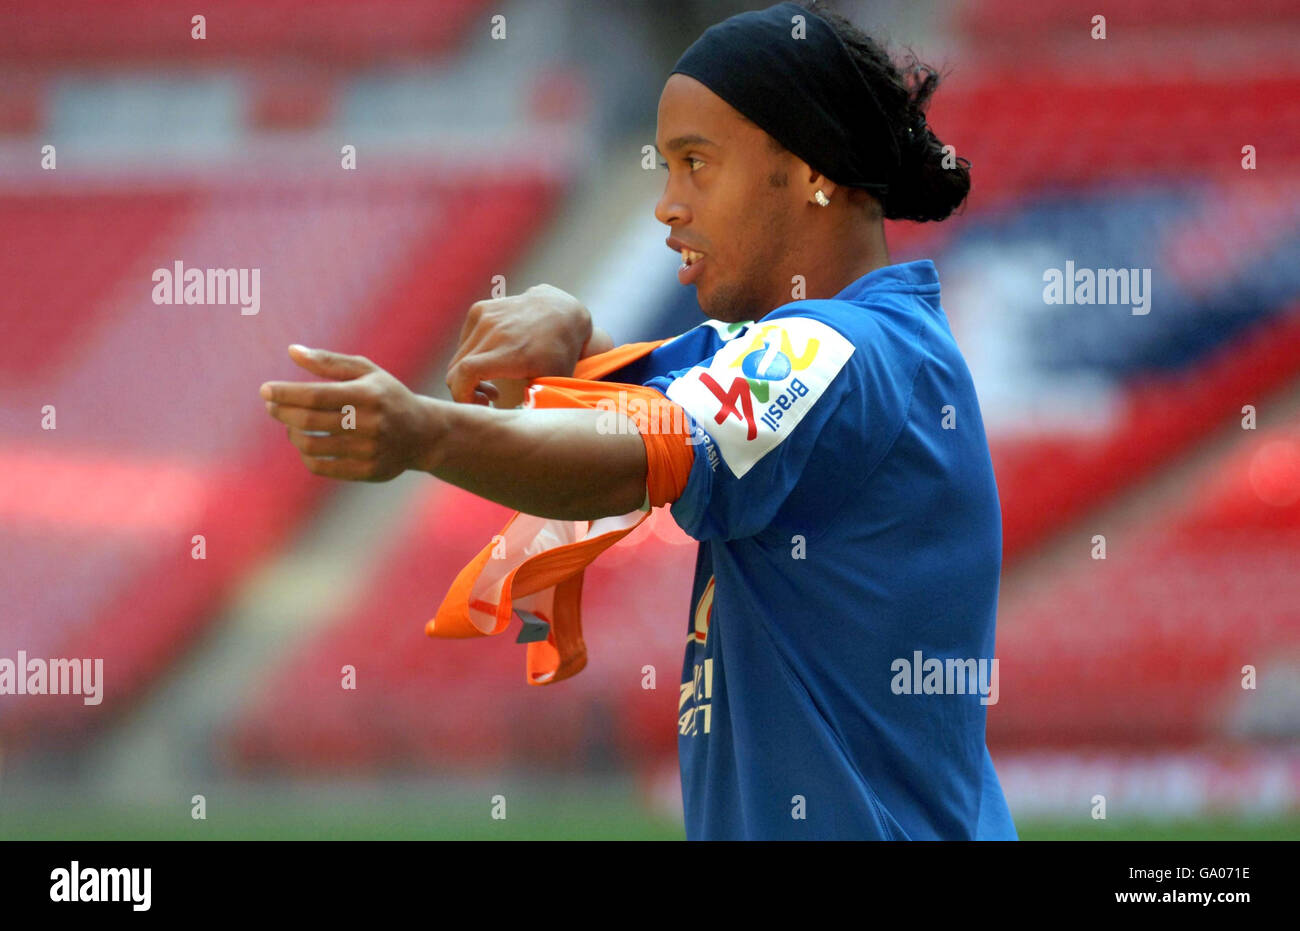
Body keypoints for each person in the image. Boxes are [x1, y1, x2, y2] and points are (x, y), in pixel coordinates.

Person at [259, 0, 1016, 840]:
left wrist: (424, 435)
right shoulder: (846, 349)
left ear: (810, 171)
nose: (666, 205)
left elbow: (637, 448)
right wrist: (575, 328)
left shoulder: (829, 348)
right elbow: (643, 392)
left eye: (696, 163)